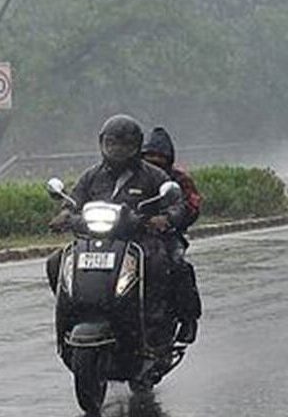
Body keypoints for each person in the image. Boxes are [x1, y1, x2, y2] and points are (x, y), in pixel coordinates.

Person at [47, 115, 191, 342]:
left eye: (125, 144)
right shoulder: (91, 176)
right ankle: (72, 311)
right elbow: (73, 201)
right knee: (56, 261)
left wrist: (164, 218)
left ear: (136, 145)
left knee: (161, 262)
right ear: (102, 143)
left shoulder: (153, 176)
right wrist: (64, 215)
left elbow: (177, 204)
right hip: (95, 239)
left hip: (138, 238)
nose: (117, 150)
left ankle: (159, 317)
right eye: (112, 143)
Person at [141, 127, 202, 344]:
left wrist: (170, 219)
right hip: (132, 234)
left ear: (168, 158)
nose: (154, 160)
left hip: (167, 236)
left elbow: (191, 205)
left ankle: (188, 319)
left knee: (178, 266)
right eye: (149, 156)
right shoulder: (132, 176)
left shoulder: (179, 179)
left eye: (159, 156)